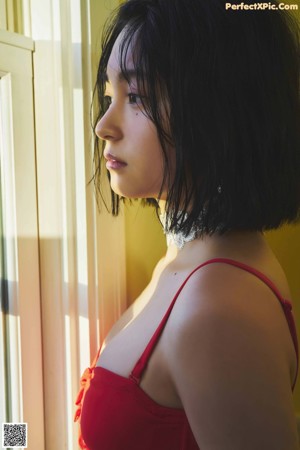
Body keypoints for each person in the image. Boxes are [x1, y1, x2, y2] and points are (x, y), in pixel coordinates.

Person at [74, 0, 300, 448]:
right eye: (108, 96)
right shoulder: (192, 256)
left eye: (135, 97)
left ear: (215, 108)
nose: (104, 125)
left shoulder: (217, 306)